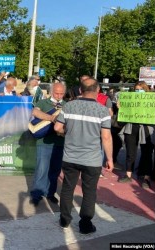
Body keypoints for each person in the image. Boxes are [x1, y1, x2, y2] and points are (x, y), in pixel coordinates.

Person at [54, 77, 113, 234]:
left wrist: (69, 132)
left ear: (80, 90)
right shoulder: (103, 110)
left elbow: (57, 127)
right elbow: (106, 137)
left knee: (67, 188)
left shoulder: (69, 106)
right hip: (92, 159)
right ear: (98, 90)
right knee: (89, 191)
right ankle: (85, 224)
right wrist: (110, 159)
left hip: (70, 157)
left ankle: (65, 219)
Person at [29, 82, 66, 206]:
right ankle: (36, 194)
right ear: (51, 91)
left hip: (59, 143)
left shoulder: (66, 105)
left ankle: (50, 193)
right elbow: (35, 112)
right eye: (56, 93)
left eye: (61, 93)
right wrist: (52, 118)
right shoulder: (43, 103)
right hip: (43, 142)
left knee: (55, 171)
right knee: (41, 169)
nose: (59, 95)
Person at [118, 81, 154, 189]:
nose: (138, 92)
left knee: (147, 153)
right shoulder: (130, 100)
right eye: (136, 90)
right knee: (130, 151)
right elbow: (123, 117)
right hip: (131, 128)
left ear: (146, 90)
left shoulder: (152, 101)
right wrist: (121, 108)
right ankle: (128, 174)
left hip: (146, 129)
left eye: (140, 90)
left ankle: (145, 177)